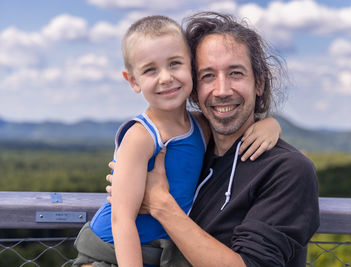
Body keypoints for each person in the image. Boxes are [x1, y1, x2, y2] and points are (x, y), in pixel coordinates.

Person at [107, 12, 320, 267]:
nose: (222, 90)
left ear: (259, 83)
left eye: (236, 73)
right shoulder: (190, 150)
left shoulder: (288, 170)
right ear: (195, 89)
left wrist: (161, 204)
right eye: (208, 76)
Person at [73, 15, 282, 267]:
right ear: (133, 81)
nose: (165, 77)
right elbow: (121, 220)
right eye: (150, 70)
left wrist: (271, 125)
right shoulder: (141, 136)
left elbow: (238, 121)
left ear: (190, 67)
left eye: (174, 64)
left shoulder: (200, 126)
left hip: (156, 252)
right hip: (112, 253)